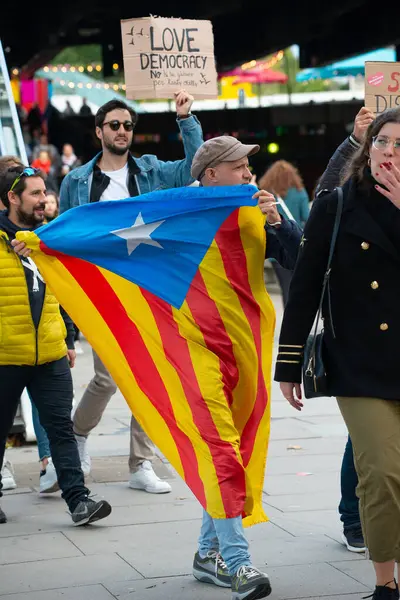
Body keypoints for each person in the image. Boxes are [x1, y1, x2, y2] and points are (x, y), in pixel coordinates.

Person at [275, 106, 400, 600]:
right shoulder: (336, 203)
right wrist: (288, 366)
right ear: (369, 148)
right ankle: (385, 581)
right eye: (384, 142)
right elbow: (304, 285)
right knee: (381, 473)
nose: (391, 152)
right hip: (357, 362)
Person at [60, 91, 203, 493]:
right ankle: (76, 438)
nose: (122, 131)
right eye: (114, 125)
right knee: (107, 378)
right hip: (103, 290)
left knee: (153, 374)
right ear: (99, 132)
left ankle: (141, 463)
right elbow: (66, 236)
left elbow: (195, 166)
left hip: (150, 286)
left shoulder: (153, 171)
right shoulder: (78, 181)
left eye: (127, 126)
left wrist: (185, 118)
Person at [189, 135, 302, 600]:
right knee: (221, 449)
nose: (249, 174)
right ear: (211, 174)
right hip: (197, 349)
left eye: (248, 166)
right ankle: (238, 564)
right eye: (239, 166)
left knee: (233, 449)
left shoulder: (261, 207)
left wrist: (279, 223)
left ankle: (205, 553)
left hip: (247, 349)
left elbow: (300, 258)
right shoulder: (181, 215)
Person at [0, 165, 112, 526]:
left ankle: (79, 502)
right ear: (12, 198)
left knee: (61, 429)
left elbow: (63, 293)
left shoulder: (50, 238)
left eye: (44, 192)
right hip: (5, 356)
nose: (43, 199)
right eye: (34, 193)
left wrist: (66, 337)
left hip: (49, 354)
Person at [315, 106, 374, 554]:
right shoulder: (350, 196)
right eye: (384, 146)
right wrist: (354, 140)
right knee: (367, 432)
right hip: (362, 330)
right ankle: (353, 518)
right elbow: (325, 194)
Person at [257, 160, 310, 306]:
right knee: (299, 289)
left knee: (286, 288)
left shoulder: (265, 193)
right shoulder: (300, 192)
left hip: (277, 247)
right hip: (295, 243)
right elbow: (307, 217)